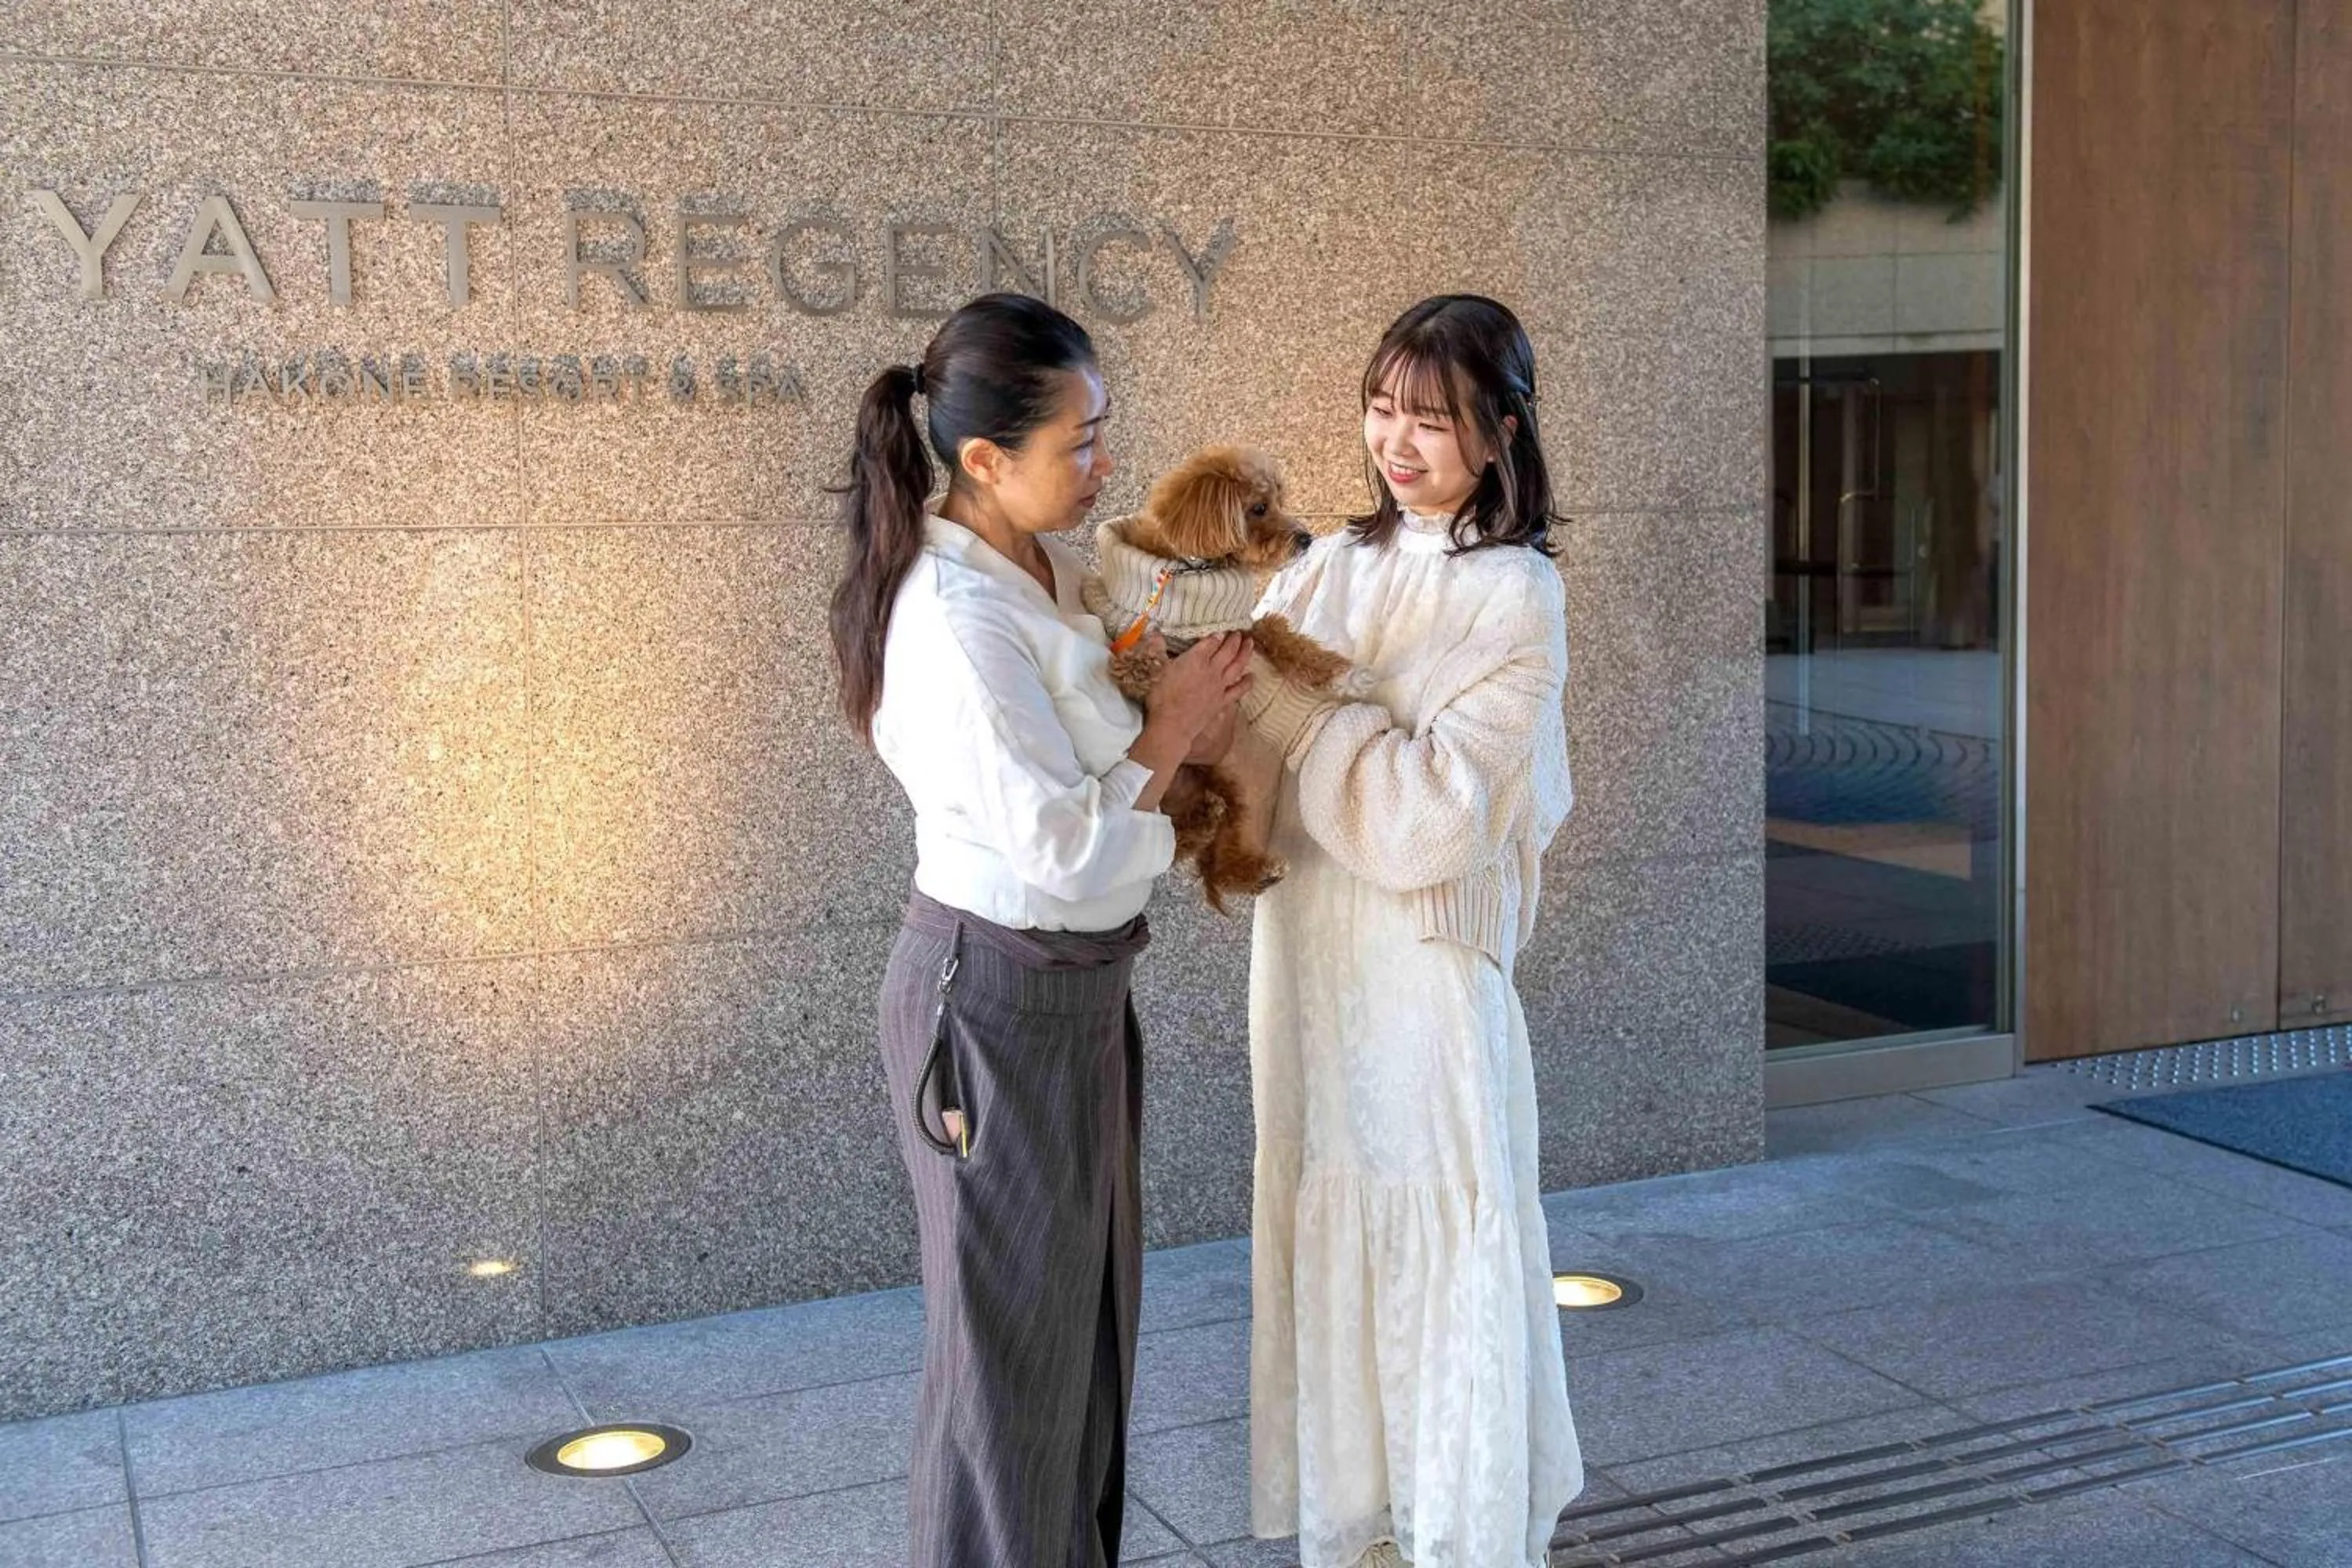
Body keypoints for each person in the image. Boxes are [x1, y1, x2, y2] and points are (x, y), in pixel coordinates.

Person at [830, 292, 1254, 1567]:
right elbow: (1063, 843)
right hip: (995, 1002)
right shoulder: (958, 620)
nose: (1103, 465)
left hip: (1071, 995)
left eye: (1102, 432)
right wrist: (1172, 728)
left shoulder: (1050, 564)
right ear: (982, 460)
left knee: (1083, 1346)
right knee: (1010, 1374)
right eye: (1079, 443)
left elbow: (1198, 579)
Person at [1238, 295, 1585, 1568]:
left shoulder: (1516, 595)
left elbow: (1429, 830)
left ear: (1499, 431)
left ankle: (1459, 1535)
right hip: (1314, 969)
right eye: (1383, 408)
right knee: (1338, 1233)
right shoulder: (1324, 566)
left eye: (1432, 418)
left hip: (1426, 988)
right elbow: (1234, 742)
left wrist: (1298, 710)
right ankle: (1364, 1535)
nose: (1398, 440)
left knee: (1444, 1257)